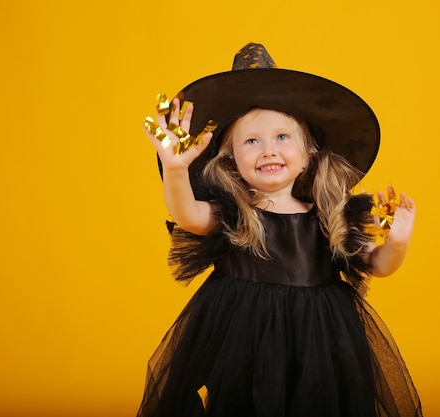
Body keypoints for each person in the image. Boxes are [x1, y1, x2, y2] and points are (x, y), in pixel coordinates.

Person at [138, 43, 422, 417]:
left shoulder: (332, 215)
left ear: (307, 155)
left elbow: (378, 264)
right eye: (251, 141)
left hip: (319, 336)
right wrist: (175, 169)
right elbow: (188, 213)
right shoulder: (234, 214)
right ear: (232, 160)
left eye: (282, 138)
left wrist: (397, 242)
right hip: (245, 336)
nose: (268, 150)